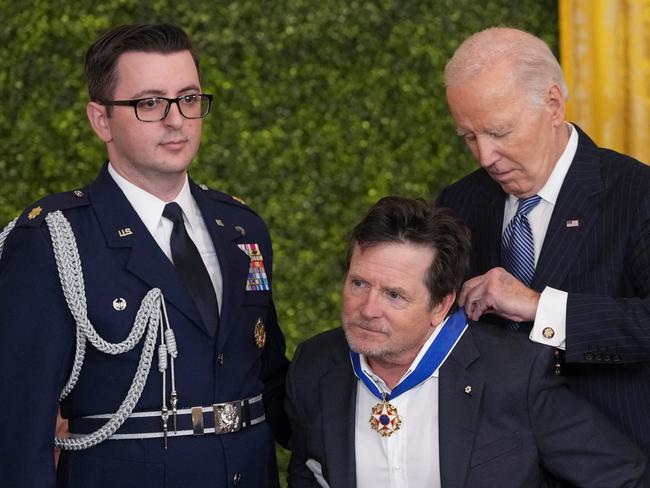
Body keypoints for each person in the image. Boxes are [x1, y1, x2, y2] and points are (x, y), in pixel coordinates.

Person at [0, 23, 289, 488]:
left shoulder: (241, 229)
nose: (176, 119)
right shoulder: (53, 239)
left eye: (189, 99)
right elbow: (17, 429)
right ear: (101, 120)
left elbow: (272, 384)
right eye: (150, 103)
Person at [284, 196, 647, 488]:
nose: (368, 309)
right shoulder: (315, 366)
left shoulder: (517, 374)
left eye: (394, 295)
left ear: (441, 305)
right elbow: (307, 472)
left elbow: (625, 477)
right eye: (358, 284)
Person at [436, 27, 650, 460]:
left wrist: (540, 308)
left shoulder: (637, 192)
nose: (484, 157)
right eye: (469, 137)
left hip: (615, 464)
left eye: (499, 132)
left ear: (553, 104)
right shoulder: (457, 202)